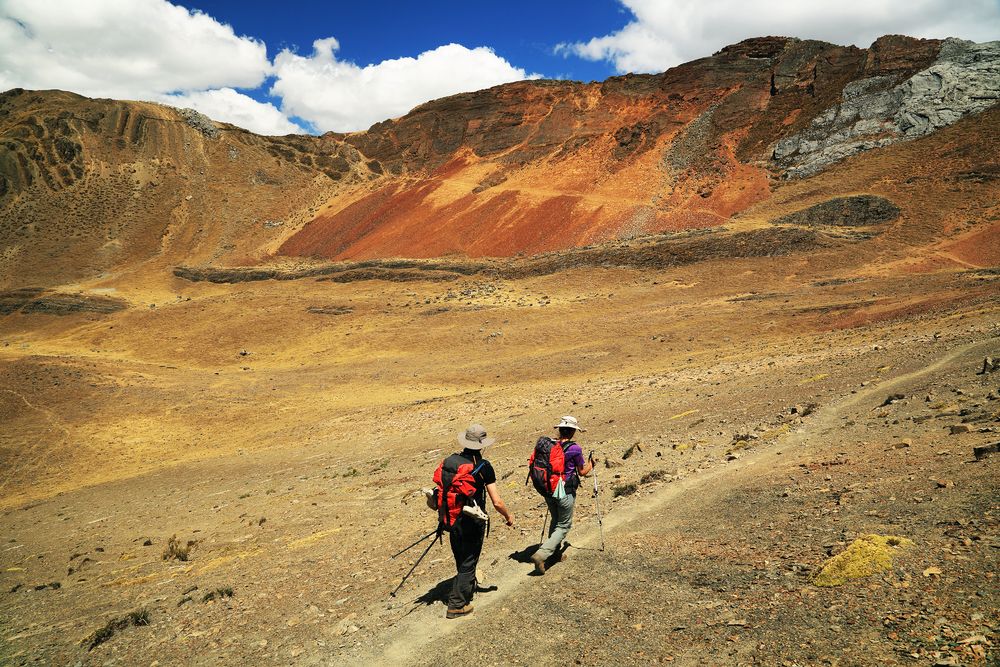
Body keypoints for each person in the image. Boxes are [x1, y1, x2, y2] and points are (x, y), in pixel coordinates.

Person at [440, 423, 514, 619]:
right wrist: (508, 516)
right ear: (481, 445)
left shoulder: (450, 461)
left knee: (461, 556)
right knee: (469, 560)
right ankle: (457, 604)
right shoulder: (483, 467)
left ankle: (464, 586)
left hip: (450, 517)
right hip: (472, 520)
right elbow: (496, 501)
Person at [531, 415, 593, 575]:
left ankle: (555, 554)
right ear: (572, 432)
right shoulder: (575, 449)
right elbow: (582, 472)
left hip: (548, 489)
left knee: (556, 520)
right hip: (565, 491)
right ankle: (542, 554)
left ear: (559, 429)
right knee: (564, 525)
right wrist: (592, 464)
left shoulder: (551, 445)